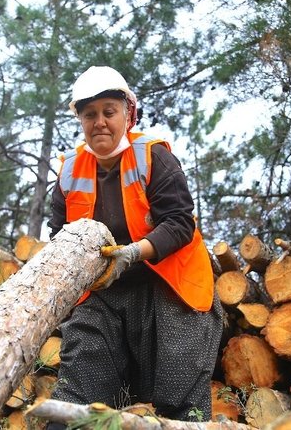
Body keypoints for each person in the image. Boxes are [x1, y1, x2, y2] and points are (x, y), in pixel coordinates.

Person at [46, 66, 224, 425]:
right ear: (79, 119)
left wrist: (133, 252)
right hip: (105, 292)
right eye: (90, 114)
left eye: (108, 112)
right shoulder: (68, 172)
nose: (100, 122)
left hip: (169, 284)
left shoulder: (153, 157)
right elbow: (58, 236)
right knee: (79, 392)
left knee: (179, 394)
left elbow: (179, 223)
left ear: (128, 113)